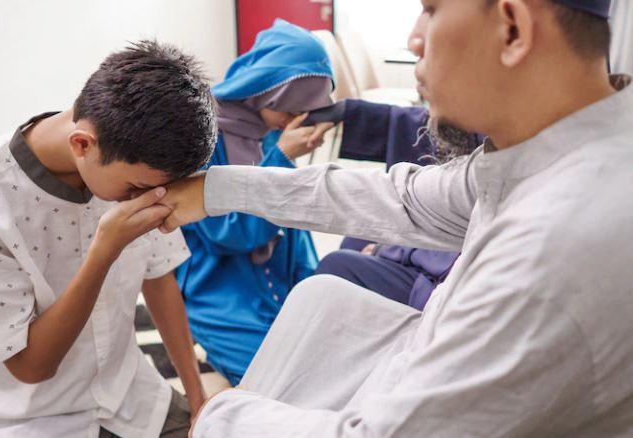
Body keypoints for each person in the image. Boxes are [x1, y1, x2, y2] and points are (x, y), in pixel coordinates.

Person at [159, 0, 633, 435]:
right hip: (413, 367)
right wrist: (215, 188)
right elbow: (402, 197)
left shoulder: (551, 251)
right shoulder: (546, 155)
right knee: (322, 295)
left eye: (432, 10)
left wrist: (219, 414)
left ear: (512, 29)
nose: (414, 39)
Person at [0, 41, 216, 437]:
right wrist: (104, 251)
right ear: (82, 145)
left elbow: (159, 279)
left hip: (134, 397)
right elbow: (31, 367)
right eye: (137, 188)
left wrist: (197, 396)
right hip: (33, 419)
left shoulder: (135, 167)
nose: (147, 198)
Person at [175, 19, 335, 386]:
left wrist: (312, 287)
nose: (295, 122)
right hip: (222, 287)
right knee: (279, 381)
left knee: (329, 357)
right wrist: (281, 158)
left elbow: (293, 228)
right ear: (266, 92)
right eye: (291, 110)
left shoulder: (269, 130)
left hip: (280, 274)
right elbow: (226, 235)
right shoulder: (201, 136)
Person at [310, 99, 482, 309]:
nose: (420, 84)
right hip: (443, 254)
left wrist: (389, 250)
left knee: (337, 267)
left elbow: (460, 240)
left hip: (448, 283)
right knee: (359, 233)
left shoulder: (493, 163)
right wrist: (347, 111)